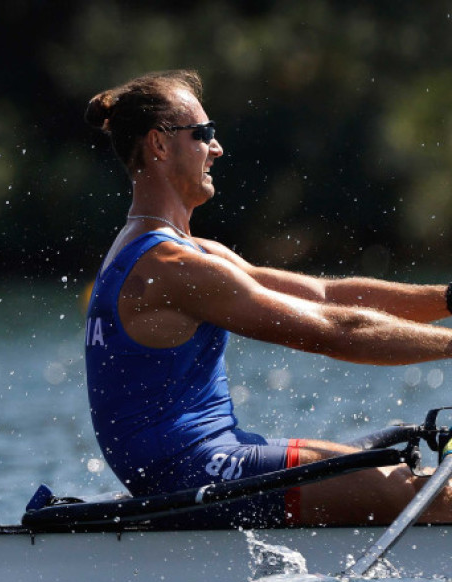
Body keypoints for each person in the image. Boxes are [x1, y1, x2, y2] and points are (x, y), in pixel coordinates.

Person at [83, 70, 452, 529]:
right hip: (192, 474)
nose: (216, 149)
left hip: (206, 459)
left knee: (405, 480)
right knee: (434, 498)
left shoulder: (182, 251)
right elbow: (336, 331)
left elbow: (325, 295)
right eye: (204, 134)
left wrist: (449, 299)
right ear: (159, 145)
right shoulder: (169, 267)